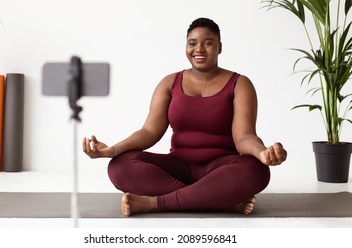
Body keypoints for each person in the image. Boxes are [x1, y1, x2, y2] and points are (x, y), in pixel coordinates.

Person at [82, 17, 287, 216]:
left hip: (222, 168)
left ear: (220, 47)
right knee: (120, 166)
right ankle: (217, 200)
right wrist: (112, 150)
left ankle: (155, 203)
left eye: (208, 43)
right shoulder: (169, 83)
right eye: (192, 43)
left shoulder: (240, 84)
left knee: (256, 170)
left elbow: (244, 137)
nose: (199, 49)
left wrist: (262, 153)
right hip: (178, 166)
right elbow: (149, 131)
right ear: (185, 46)